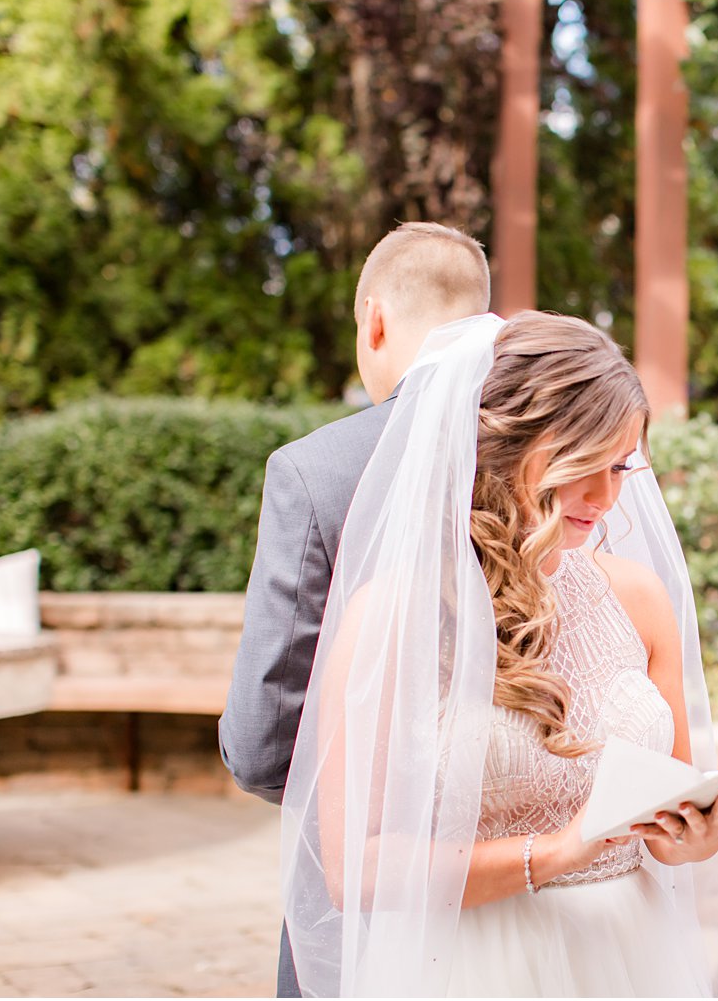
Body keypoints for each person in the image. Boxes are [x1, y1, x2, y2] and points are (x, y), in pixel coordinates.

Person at [279, 311, 718, 996]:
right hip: (476, 964)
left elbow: (665, 814)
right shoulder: (394, 616)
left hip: (631, 957)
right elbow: (358, 868)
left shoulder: (640, 599)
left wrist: (692, 835)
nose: (607, 495)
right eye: (585, 463)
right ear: (504, 446)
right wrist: (554, 853)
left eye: (621, 466)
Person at [220, 221, 494, 997]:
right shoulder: (556, 453)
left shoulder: (315, 471)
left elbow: (262, 739)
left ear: (373, 319)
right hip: (542, 886)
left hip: (371, 900)